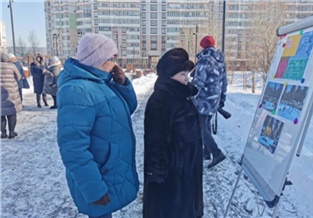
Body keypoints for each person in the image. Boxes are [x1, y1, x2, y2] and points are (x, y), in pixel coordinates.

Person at [56, 33, 139, 218]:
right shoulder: (77, 90)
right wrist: (93, 189)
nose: (116, 62)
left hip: (106, 170)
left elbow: (127, 110)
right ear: (99, 58)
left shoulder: (102, 82)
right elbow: (73, 148)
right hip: (99, 174)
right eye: (113, 57)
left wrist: (123, 84)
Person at [143, 48, 203, 218]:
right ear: (170, 76)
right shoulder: (162, 100)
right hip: (171, 179)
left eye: (187, 74)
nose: (187, 79)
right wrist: (157, 175)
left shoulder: (180, 96)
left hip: (186, 173)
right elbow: (155, 141)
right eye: (183, 74)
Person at [191, 35, 228, 169]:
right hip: (214, 100)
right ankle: (206, 153)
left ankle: (217, 153)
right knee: (205, 125)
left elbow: (198, 81)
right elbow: (224, 82)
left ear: (203, 46)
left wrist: (191, 95)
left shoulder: (204, 59)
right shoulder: (220, 61)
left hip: (203, 100)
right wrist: (222, 99)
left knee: (200, 127)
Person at [1, 52, 23, 139]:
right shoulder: (12, 66)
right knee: (11, 114)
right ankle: (12, 132)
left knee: (1, 114)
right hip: (10, 92)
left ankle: (3, 133)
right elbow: (18, 77)